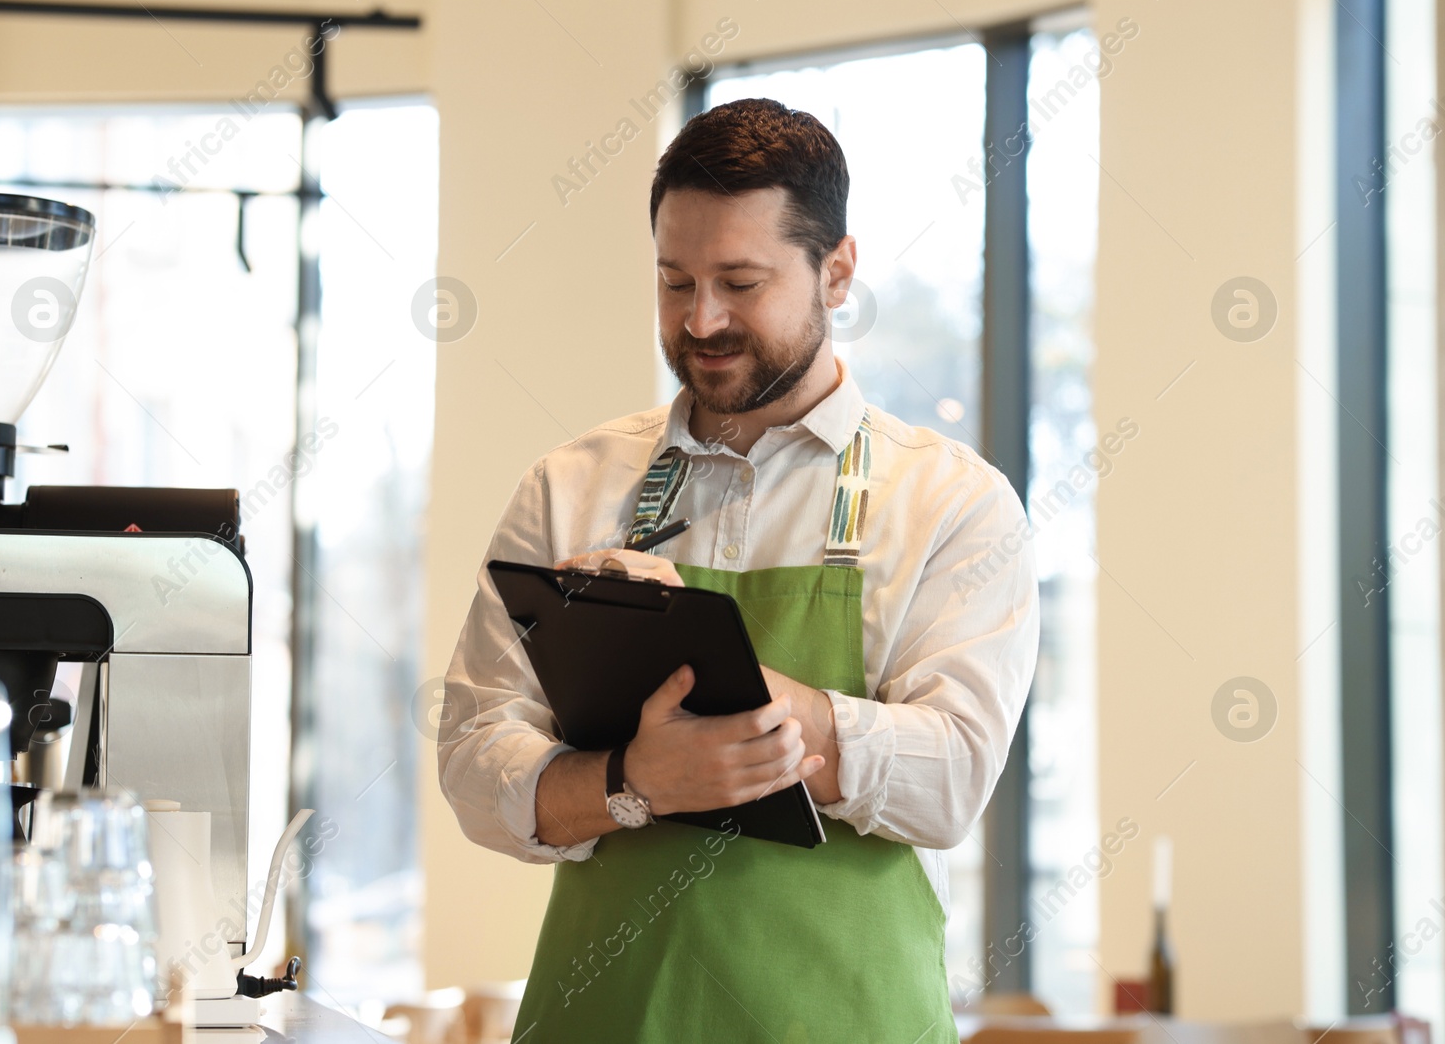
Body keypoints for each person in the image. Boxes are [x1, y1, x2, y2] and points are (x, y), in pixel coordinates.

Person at [438, 96, 1039, 1043]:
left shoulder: (951, 504)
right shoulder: (569, 487)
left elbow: (953, 773)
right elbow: (475, 761)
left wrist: (727, 686)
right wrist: (636, 778)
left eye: (740, 281)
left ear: (837, 272)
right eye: (675, 282)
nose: (701, 318)